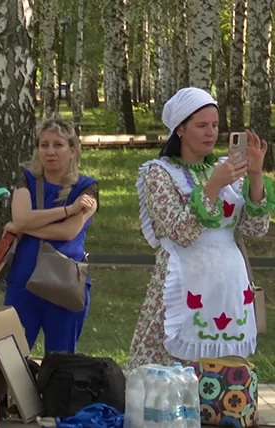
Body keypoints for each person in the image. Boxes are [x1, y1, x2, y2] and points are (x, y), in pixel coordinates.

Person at [127, 87, 273, 369]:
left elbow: (256, 228)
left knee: (223, 378)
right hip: (184, 283)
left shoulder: (225, 167)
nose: (211, 133)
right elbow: (180, 232)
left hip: (228, 287)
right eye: (202, 125)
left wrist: (255, 175)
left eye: (215, 125)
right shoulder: (159, 173)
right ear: (180, 129)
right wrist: (214, 185)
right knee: (174, 372)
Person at [3, 117, 98, 354]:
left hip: (64, 284)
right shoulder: (26, 178)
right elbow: (22, 218)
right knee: (11, 356)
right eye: (44, 145)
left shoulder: (87, 187)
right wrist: (68, 210)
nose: (50, 152)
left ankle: (54, 393)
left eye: (58, 145)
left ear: (73, 151)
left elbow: (68, 231)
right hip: (23, 281)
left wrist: (23, 226)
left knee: (61, 360)